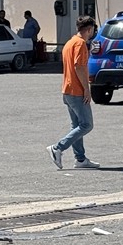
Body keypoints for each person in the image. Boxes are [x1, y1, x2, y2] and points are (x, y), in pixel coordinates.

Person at [47, 15, 100, 169]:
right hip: (76, 91)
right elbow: (79, 67)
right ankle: (57, 148)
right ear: (89, 30)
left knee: (76, 124)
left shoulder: (69, 43)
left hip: (67, 90)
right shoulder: (81, 44)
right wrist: (86, 90)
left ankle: (80, 159)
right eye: (92, 31)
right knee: (87, 125)